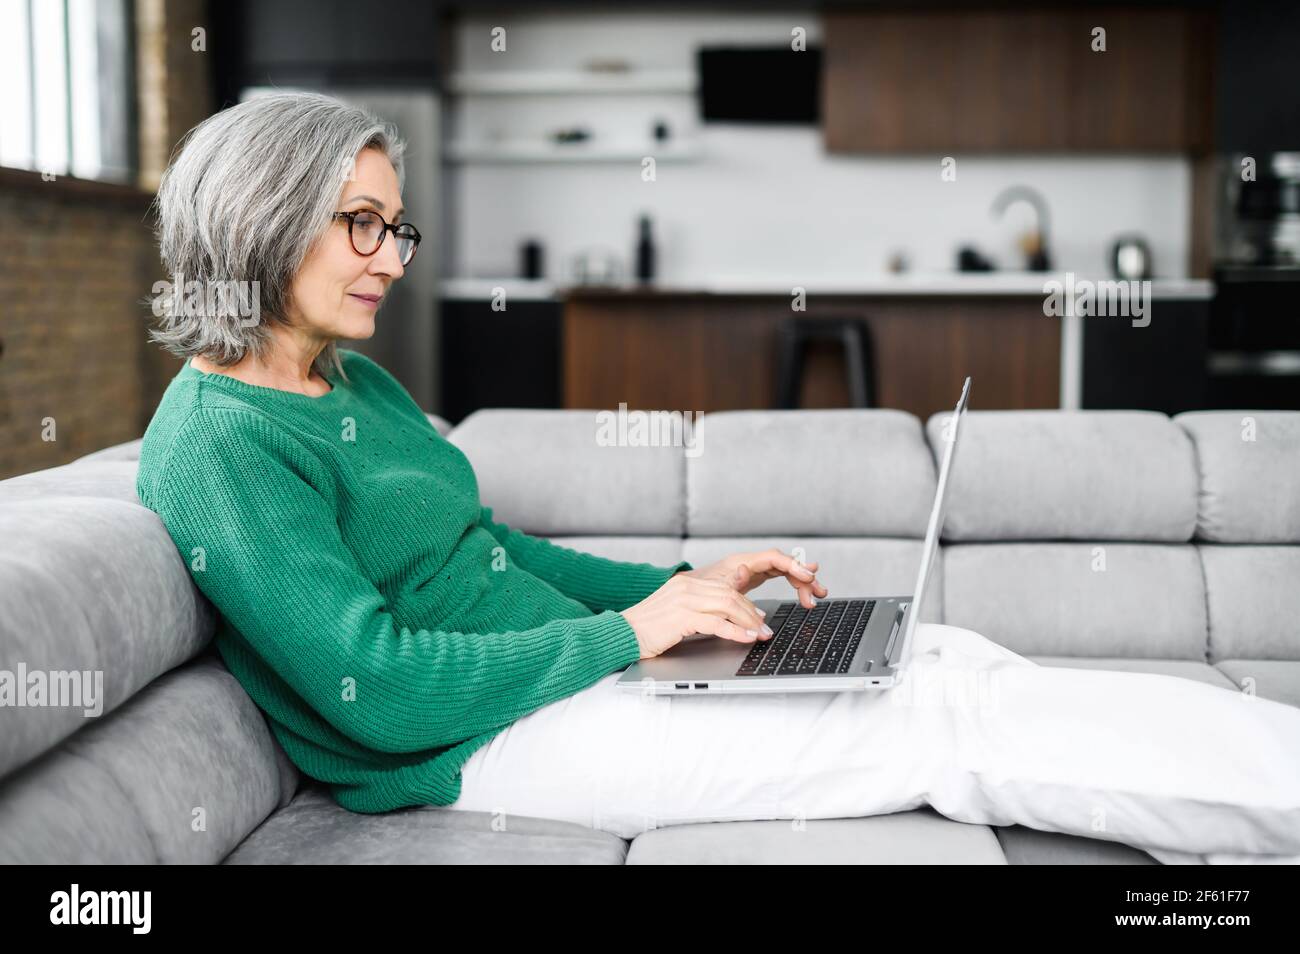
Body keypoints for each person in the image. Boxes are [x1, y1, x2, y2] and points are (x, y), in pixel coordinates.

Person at [136, 92, 1300, 865]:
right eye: (362, 224)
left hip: (559, 682)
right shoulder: (219, 442)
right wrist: (633, 635)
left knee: (944, 655)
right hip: (480, 744)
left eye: (398, 228)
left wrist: (682, 588)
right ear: (263, 218)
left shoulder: (349, 383)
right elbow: (374, 689)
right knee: (939, 727)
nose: (391, 257)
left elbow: (494, 552)